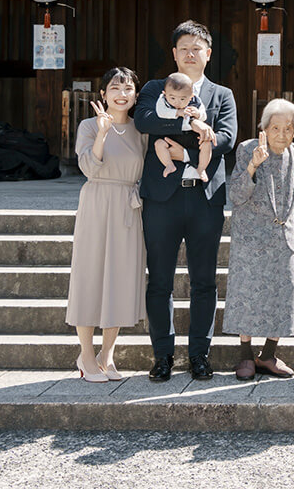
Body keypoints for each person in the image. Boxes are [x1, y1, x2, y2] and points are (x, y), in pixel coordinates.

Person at [134, 20, 238, 382]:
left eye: (198, 48)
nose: (191, 53)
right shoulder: (152, 88)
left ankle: (199, 355)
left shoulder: (222, 95)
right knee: (159, 280)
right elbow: (144, 122)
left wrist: (185, 156)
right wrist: (194, 128)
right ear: (174, 53)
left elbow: (226, 139)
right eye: (184, 48)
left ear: (208, 54)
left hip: (204, 199)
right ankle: (162, 355)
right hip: (162, 198)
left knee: (204, 281)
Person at [65, 66, 147, 383]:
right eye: (115, 87)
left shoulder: (142, 130)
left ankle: (107, 355)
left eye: (128, 88)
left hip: (128, 206)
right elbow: (88, 166)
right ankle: (86, 355)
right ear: (103, 94)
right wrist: (102, 132)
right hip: (97, 202)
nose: (122, 93)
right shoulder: (88, 125)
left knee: (121, 279)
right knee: (91, 276)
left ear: (136, 94)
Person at [225, 98, 294, 380]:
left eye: (288, 128)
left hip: (282, 237)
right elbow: (235, 195)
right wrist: (252, 167)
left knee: (281, 296)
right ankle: (245, 355)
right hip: (251, 238)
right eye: (275, 128)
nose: (281, 134)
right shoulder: (248, 149)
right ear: (264, 128)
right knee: (246, 294)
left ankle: (268, 355)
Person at [153, 72, 212, 183]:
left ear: (191, 96)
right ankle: (169, 165)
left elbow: (204, 116)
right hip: (171, 137)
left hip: (193, 138)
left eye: (182, 99)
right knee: (159, 144)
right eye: (173, 98)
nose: (177, 102)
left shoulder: (196, 101)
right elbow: (161, 112)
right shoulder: (162, 101)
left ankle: (201, 168)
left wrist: (198, 114)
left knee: (207, 144)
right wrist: (177, 112)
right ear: (164, 94)